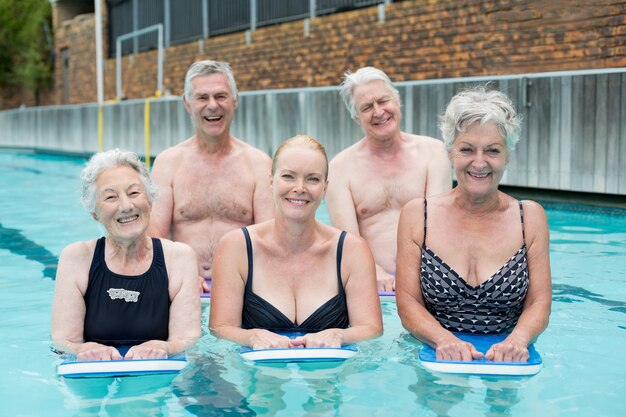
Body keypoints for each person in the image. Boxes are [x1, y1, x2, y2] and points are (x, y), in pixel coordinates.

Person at [396, 86, 552, 362]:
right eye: (467, 149)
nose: (479, 163)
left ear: (508, 156)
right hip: (433, 353)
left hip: (509, 354)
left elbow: (539, 302)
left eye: (492, 150)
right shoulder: (418, 215)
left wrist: (517, 340)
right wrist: (444, 340)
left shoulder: (529, 217)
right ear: (450, 153)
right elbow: (407, 303)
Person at [209, 135, 382, 349]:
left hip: (330, 375)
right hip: (259, 375)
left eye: (312, 179)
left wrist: (339, 335)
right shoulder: (237, 247)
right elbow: (220, 327)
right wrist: (252, 336)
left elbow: (371, 328)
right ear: (271, 181)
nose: (300, 187)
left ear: (325, 188)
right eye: (288, 176)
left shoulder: (351, 250)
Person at [51, 149, 201, 360]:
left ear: (149, 200)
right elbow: (63, 341)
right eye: (111, 197)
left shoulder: (179, 258)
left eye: (134, 193)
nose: (126, 206)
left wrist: (166, 347)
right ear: (95, 212)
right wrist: (82, 350)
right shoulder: (76, 258)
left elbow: (187, 339)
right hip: (95, 376)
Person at [149, 60, 274, 293]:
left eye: (221, 96)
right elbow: (154, 235)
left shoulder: (258, 163)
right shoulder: (168, 163)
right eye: (202, 97)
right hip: (182, 286)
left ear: (235, 101)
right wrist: (177, 272)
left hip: (241, 289)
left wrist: (241, 282)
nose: (212, 105)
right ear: (187, 103)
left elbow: (268, 238)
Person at [326, 66, 452, 292]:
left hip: (426, 277)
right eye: (366, 107)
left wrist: (420, 276)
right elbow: (348, 240)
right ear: (356, 117)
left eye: (383, 101)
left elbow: (437, 226)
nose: (378, 112)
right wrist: (371, 271)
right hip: (369, 280)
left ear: (397, 101)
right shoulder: (339, 169)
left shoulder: (434, 153)